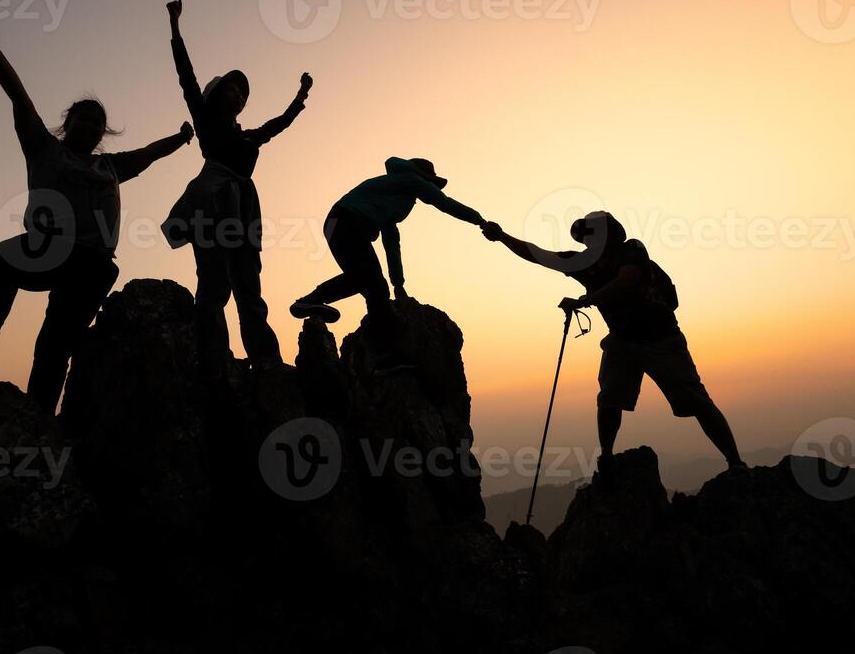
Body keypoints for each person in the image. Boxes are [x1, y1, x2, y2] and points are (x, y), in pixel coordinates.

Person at [0, 16, 195, 413]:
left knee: (53, 346)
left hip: (91, 263)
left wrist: (181, 138)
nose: (88, 126)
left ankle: (39, 422)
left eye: (96, 123)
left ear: (103, 134)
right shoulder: (42, 147)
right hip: (47, 249)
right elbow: (18, 96)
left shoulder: (110, 168)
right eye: (82, 119)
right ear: (66, 122)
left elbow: (150, 154)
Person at [480, 211, 745, 475]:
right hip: (627, 339)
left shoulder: (631, 250)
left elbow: (627, 279)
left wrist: (585, 300)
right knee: (609, 398)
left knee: (697, 402)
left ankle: (734, 461)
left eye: (589, 235)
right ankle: (607, 457)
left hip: (661, 339)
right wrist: (502, 237)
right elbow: (538, 255)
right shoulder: (586, 262)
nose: (587, 241)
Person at [161, 0, 312, 375]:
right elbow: (186, 75)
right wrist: (175, 25)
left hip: (244, 213)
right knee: (213, 285)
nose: (239, 95)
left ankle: (266, 360)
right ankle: (213, 359)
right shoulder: (205, 118)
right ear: (216, 95)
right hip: (212, 206)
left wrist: (299, 98)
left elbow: (276, 126)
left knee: (249, 286)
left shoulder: (246, 139)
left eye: (243, 93)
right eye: (232, 87)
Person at [290, 158, 485, 367]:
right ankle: (384, 357)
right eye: (431, 185)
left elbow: (391, 242)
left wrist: (398, 284)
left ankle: (314, 302)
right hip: (347, 221)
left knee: (370, 284)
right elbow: (445, 204)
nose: (430, 190)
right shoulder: (410, 180)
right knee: (373, 285)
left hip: (335, 223)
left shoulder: (390, 196)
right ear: (424, 178)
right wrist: (480, 221)